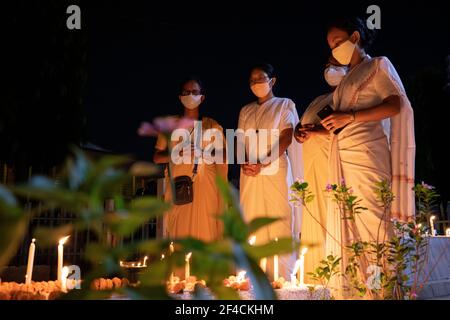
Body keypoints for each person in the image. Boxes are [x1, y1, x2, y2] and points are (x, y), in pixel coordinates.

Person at [322, 16, 415, 297]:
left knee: (375, 225)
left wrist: (349, 116)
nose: (334, 48)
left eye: (337, 42)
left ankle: (386, 292)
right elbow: (341, 122)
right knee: (355, 227)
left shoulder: (377, 65)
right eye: (330, 45)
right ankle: (367, 290)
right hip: (344, 157)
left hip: (367, 155)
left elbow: (396, 103)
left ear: (355, 37)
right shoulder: (346, 79)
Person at [237, 63, 303, 279]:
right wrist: (245, 162)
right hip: (250, 174)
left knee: (280, 219)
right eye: (252, 80)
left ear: (272, 81)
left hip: (275, 170)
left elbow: (287, 136)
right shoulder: (245, 110)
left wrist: (264, 162)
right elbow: (239, 142)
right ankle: (252, 277)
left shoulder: (284, 105)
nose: (257, 83)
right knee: (252, 220)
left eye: (261, 78)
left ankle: (283, 278)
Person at [293, 57, 348, 284]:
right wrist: (300, 131)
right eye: (327, 65)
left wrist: (317, 130)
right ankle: (316, 275)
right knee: (314, 217)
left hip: (335, 168)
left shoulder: (350, 96)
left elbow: (348, 129)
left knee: (334, 215)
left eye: (336, 65)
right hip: (313, 168)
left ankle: (340, 277)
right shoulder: (318, 100)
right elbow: (303, 124)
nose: (330, 70)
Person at [153, 77, 228, 242]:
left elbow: (223, 157)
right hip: (179, 186)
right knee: (180, 233)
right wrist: (177, 154)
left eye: (195, 92)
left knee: (206, 232)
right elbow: (157, 157)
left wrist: (204, 153)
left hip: (206, 187)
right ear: (180, 97)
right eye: (186, 92)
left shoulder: (212, 126)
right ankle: (181, 267)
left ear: (202, 97)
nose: (190, 95)